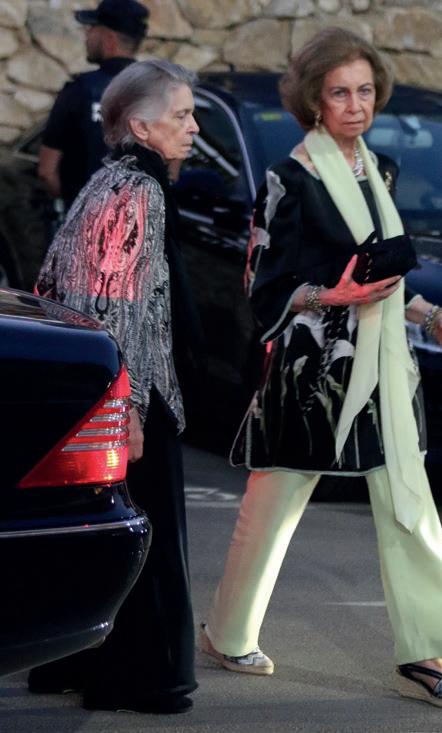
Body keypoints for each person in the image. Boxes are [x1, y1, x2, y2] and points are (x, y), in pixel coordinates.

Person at [199, 27, 442, 710]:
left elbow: (384, 273)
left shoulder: (381, 171)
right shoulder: (289, 179)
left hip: (384, 367)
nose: (356, 106)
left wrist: (431, 316)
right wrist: (333, 296)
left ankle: (423, 653)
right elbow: (264, 285)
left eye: (364, 91)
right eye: (339, 93)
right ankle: (228, 632)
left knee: (409, 505)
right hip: (313, 376)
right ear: (313, 101)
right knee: (272, 506)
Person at [29, 59, 201, 715]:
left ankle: (77, 663)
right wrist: (127, 408)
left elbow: (53, 279)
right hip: (132, 391)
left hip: (106, 385)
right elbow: (120, 305)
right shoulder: (139, 191)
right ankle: (142, 679)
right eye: (181, 114)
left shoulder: (107, 180)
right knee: (145, 540)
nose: (194, 127)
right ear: (140, 125)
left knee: (102, 532)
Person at [38, 0, 149, 212]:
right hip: (137, 224)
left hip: (85, 221)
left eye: (92, 28)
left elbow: (46, 170)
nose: (87, 35)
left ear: (109, 38)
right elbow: (174, 162)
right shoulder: (158, 92)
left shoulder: (80, 90)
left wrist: (76, 207)